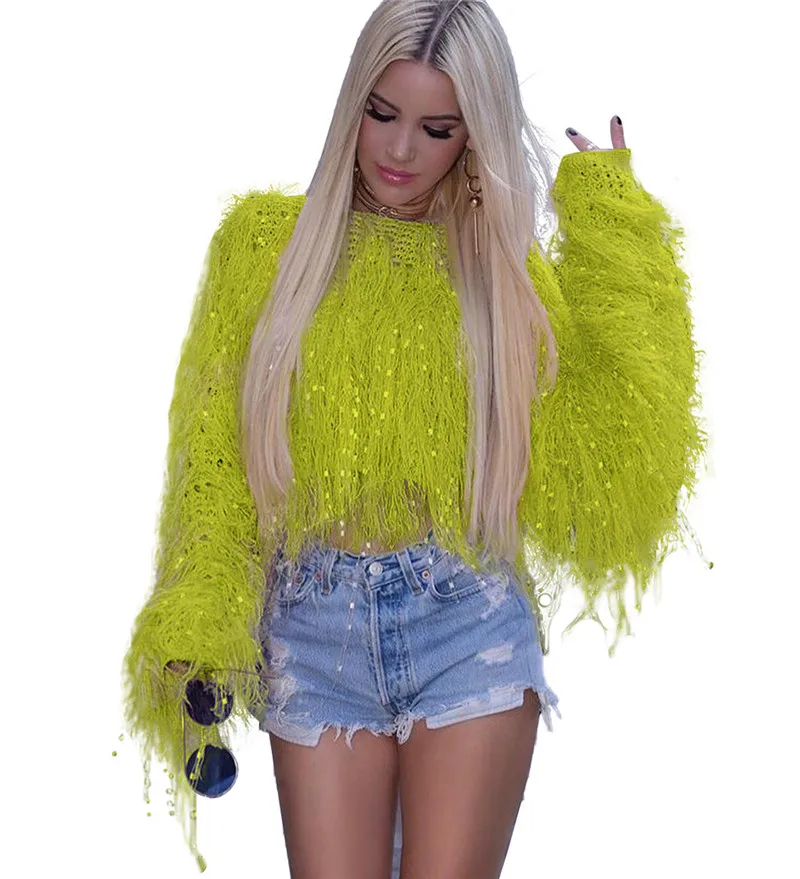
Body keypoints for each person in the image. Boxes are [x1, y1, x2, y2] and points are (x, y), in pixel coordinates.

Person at [121, 0, 708, 876]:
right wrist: (201, 623)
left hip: (464, 617)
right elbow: (213, 462)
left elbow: (612, 466)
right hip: (310, 630)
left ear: (473, 135)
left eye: (437, 128)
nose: (400, 150)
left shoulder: (502, 279)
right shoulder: (263, 249)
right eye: (382, 112)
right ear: (351, 102)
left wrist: (613, 231)